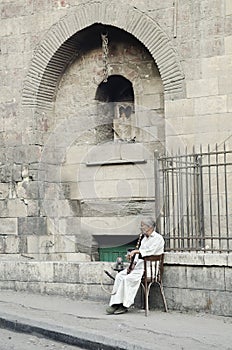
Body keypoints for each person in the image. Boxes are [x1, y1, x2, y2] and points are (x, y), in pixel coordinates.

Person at [106, 217, 165, 315]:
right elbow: (139, 254)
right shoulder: (144, 239)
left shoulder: (158, 238)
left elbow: (149, 252)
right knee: (120, 276)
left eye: (142, 226)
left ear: (149, 227)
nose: (141, 228)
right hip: (139, 267)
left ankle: (124, 305)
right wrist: (132, 258)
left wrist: (136, 251)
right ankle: (115, 303)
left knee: (127, 279)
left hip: (149, 269)